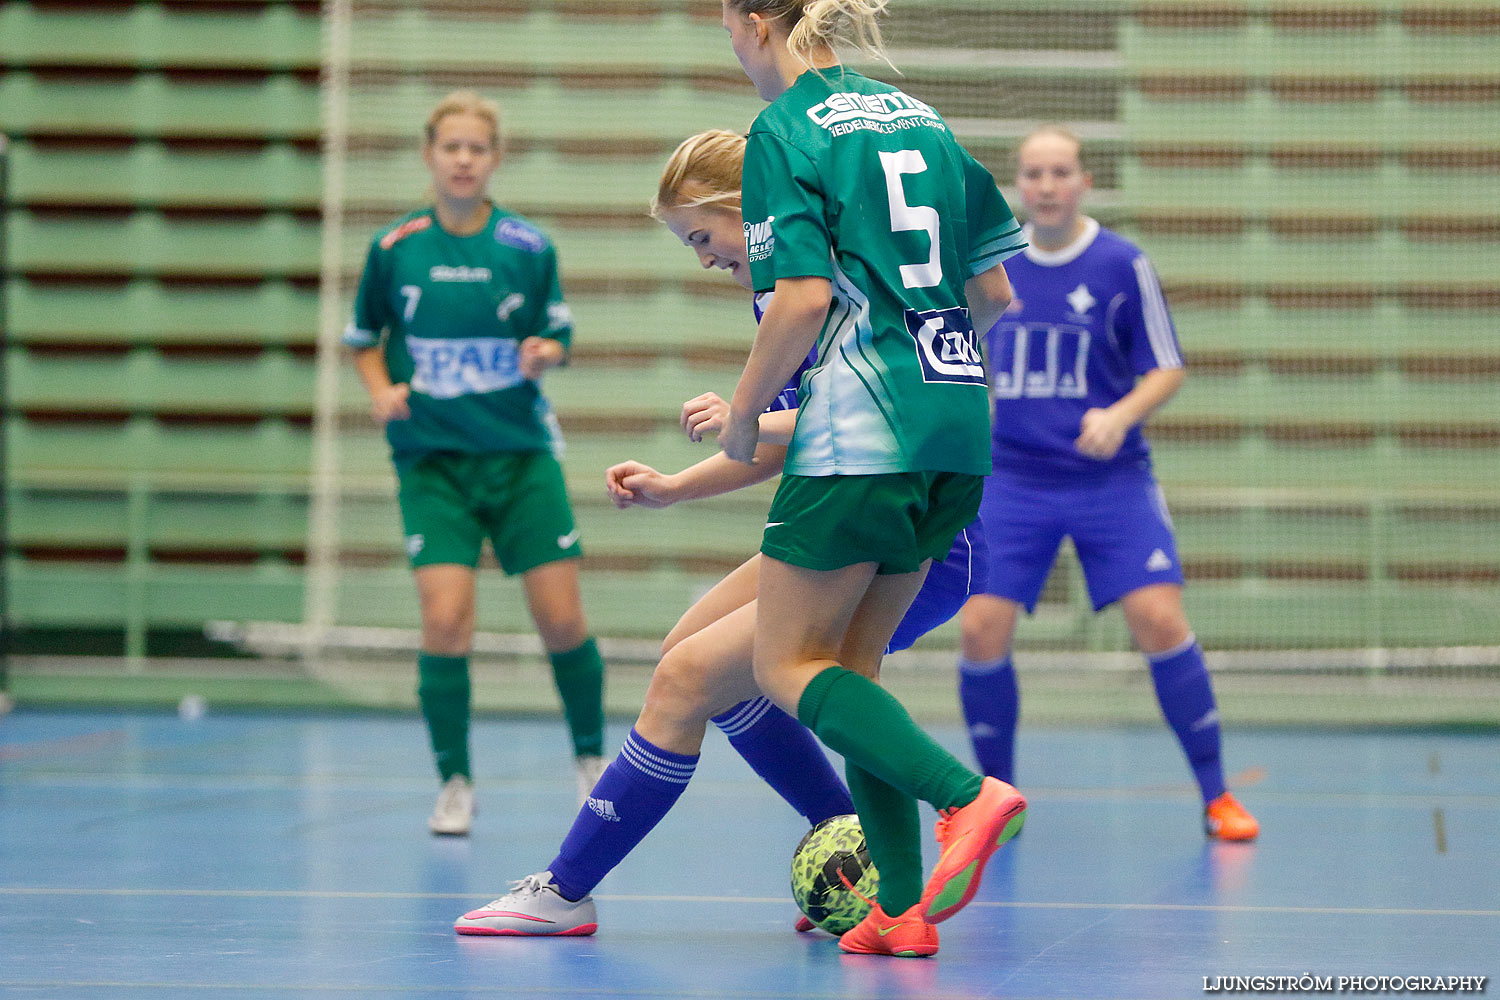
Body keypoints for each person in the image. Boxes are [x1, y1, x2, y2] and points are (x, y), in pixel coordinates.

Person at [453, 128, 989, 945]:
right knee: (692, 653)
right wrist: (677, 486)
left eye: (703, 236)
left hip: (903, 527)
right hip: (880, 507)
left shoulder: (818, 280)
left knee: (688, 682)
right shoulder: (781, 289)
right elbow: (797, 439)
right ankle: (861, 856)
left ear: (749, 208)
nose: (702, 258)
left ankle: (565, 889)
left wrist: (749, 414)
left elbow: (858, 416)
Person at [708, 0, 1030, 958]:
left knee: (781, 665)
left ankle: (971, 796)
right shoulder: (921, 117)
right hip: (957, 418)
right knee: (853, 669)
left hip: (861, 425)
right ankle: (899, 911)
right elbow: (997, 293)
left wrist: (739, 411)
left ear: (756, 21)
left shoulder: (783, 129)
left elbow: (803, 297)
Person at [955, 125, 1260, 842]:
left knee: (1158, 619)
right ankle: (996, 804)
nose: (1048, 185)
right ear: (1018, 186)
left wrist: (1120, 416)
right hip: (1014, 479)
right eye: (1033, 173)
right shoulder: (989, 268)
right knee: (979, 628)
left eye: (1061, 171)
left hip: (1110, 481)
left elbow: (1167, 366)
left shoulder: (1123, 263)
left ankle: (1217, 795)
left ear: (1084, 181)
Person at [344, 90, 608, 836]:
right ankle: (454, 781)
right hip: (433, 465)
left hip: (521, 460)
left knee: (561, 620)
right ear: (429, 155)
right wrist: (380, 390)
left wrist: (543, 352)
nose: (463, 159)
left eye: (477, 148)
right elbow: (363, 337)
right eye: (450, 146)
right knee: (446, 621)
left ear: (495, 159)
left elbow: (556, 336)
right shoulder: (395, 249)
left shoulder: (527, 248)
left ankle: (591, 759)